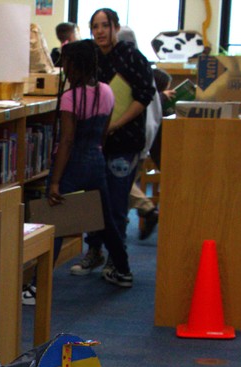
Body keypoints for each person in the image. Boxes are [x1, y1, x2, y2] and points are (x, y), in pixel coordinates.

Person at [75, 8, 156, 274]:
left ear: (116, 28)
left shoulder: (132, 57)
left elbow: (144, 95)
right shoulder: (90, 58)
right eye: (95, 26)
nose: (100, 31)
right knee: (92, 200)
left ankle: (116, 258)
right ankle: (94, 250)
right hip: (94, 141)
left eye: (105, 25)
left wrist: (116, 124)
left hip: (125, 140)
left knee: (116, 202)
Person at [48, 39, 133, 288]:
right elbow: (104, 133)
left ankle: (37, 284)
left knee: (54, 223)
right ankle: (123, 270)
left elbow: (67, 140)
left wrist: (55, 182)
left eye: (66, 62)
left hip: (72, 164)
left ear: (75, 64)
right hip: (96, 160)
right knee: (106, 220)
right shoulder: (107, 91)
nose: (64, 68)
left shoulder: (70, 97)